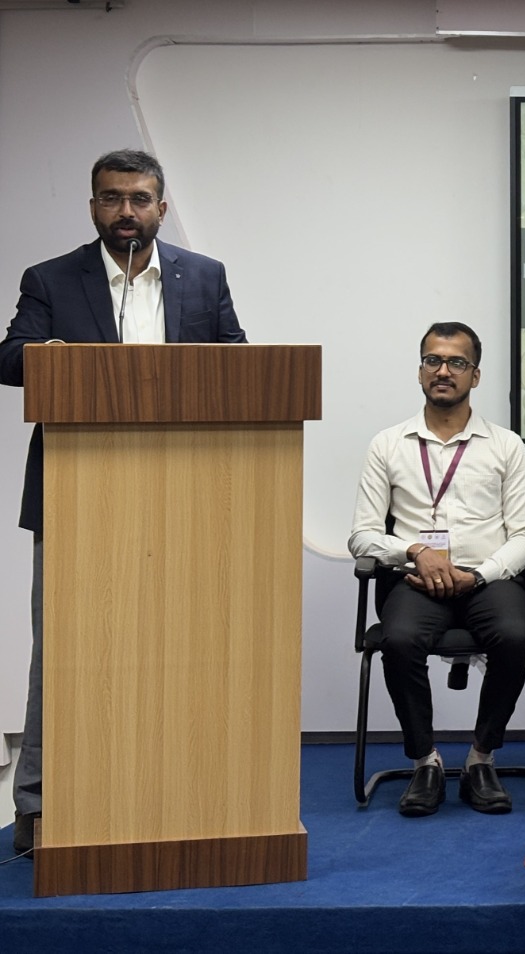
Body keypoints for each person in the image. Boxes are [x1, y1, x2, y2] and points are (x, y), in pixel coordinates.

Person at [0, 149, 247, 857]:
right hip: (75, 493)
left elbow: (238, 358)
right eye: (112, 198)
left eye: (139, 198)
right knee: (63, 650)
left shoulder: (204, 276)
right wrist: (53, 357)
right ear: (93, 208)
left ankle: (173, 785)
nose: (126, 211)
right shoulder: (51, 278)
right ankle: (40, 802)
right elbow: (8, 356)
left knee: (181, 642)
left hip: (184, 496)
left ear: (162, 208)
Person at [348, 322, 525, 817]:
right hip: (416, 579)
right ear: (420, 371)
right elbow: (362, 535)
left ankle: (481, 758)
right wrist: (415, 551)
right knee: (398, 639)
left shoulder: (506, 445)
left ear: (475, 376)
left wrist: (480, 575)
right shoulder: (388, 444)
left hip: (486, 578)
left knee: (514, 635)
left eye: (457, 362)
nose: (443, 371)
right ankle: (425, 761)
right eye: (433, 360)